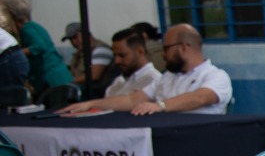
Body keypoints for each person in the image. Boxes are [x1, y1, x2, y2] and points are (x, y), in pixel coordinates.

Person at [59, 23, 232, 116]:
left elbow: (200, 97)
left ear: (183, 48)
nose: (162, 54)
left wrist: (160, 106)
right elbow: (131, 101)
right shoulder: (167, 77)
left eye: (166, 48)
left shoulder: (215, 76)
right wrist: (90, 104)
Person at [1, 0, 72, 95]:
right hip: (58, 76)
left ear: (10, 13)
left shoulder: (26, 28)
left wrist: (15, 54)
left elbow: (39, 46)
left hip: (51, 79)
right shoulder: (34, 26)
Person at [104, 28, 161, 99]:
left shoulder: (155, 81)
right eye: (114, 55)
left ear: (140, 51)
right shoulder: (118, 81)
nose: (117, 61)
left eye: (122, 55)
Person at [63, 22, 111, 91]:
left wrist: (67, 81)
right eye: (71, 39)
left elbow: (94, 76)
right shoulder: (80, 52)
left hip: (91, 90)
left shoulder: (101, 49)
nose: (73, 42)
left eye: (75, 37)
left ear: (86, 34)